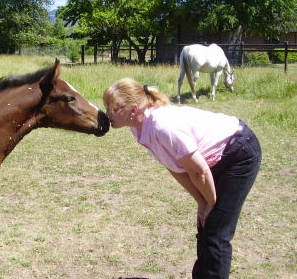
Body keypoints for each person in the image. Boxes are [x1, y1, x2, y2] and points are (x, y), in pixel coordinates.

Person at [103, 78, 261, 279]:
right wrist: (201, 202)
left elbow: (199, 172)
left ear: (133, 109)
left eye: (112, 109)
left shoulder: (163, 126)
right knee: (205, 226)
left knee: (216, 231)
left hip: (238, 152)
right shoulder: (139, 127)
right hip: (212, 160)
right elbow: (175, 167)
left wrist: (210, 204)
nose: (107, 114)